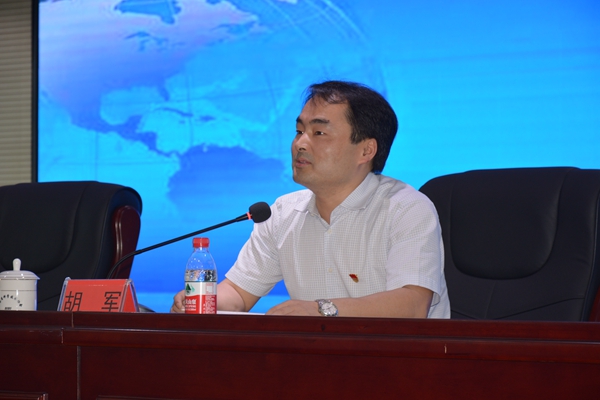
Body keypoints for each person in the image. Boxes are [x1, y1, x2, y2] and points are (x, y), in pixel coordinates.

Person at [171, 80, 450, 318]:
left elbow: (412, 305)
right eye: (299, 131)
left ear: (366, 150)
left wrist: (321, 309)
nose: (300, 143)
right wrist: (202, 301)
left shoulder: (405, 208)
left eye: (319, 133)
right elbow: (238, 293)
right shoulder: (282, 213)